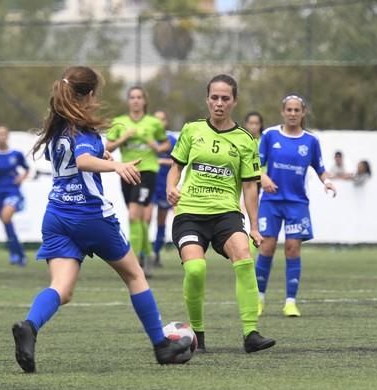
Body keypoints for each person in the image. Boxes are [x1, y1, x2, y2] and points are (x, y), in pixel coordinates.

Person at [11, 66, 187, 373]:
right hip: (90, 217)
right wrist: (116, 167)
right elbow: (82, 160)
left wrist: (104, 156)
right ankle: (162, 346)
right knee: (135, 276)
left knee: (61, 289)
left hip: (57, 217)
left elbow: (75, 158)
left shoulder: (56, 130)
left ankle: (30, 326)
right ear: (89, 94)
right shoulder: (84, 130)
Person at [166, 74, 275, 353]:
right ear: (207, 99)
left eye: (225, 98)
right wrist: (171, 187)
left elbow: (250, 186)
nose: (219, 103)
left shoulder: (245, 139)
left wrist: (253, 226)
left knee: (244, 256)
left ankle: (251, 333)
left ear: (234, 101)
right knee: (196, 268)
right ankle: (198, 336)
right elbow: (175, 167)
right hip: (189, 213)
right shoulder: (191, 130)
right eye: (214, 97)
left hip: (226, 213)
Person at [255, 93, 337, 318]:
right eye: (288, 110)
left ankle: (290, 302)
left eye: (296, 110)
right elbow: (256, 164)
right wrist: (263, 177)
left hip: (296, 203)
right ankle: (259, 299)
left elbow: (319, 168)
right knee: (266, 247)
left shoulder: (310, 141)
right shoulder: (270, 135)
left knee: (292, 249)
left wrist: (327, 182)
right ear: (283, 112)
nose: (292, 114)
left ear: (303, 113)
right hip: (271, 202)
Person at [106, 87, 171, 277]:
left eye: (139, 97)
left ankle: (133, 265)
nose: (135, 100)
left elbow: (166, 143)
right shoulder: (120, 122)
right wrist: (123, 138)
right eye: (132, 97)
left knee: (134, 215)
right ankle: (148, 255)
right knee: (138, 218)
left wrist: (156, 147)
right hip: (126, 171)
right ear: (128, 101)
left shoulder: (153, 122)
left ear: (144, 101)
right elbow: (108, 146)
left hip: (147, 172)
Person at [0, 125, 30, 266]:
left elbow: (26, 169)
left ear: (7, 136)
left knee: (6, 216)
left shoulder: (16, 154)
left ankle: (16, 254)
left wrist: (22, 177)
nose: (2, 136)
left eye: (4, 134)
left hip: (13, 192)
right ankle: (18, 253)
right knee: (6, 223)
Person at [146, 109, 178, 268]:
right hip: (149, 184)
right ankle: (143, 254)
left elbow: (177, 163)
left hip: (164, 187)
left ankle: (156, 253)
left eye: (162, 120)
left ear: (166, 122)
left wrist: (158, 162)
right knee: (145, 218)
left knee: (161, 221)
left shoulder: (171, 140)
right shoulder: (147, 139)